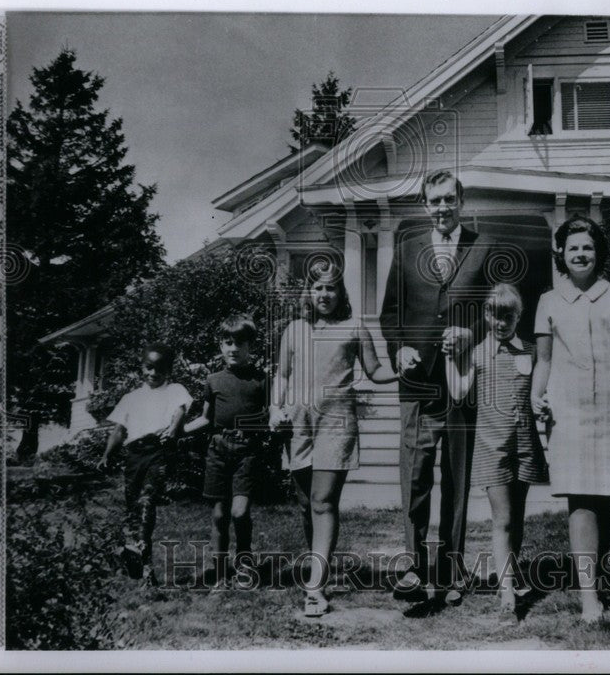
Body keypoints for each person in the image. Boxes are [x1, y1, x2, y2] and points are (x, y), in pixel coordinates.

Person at [379, 169, 498, 608]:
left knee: (456, 478)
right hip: (417, 384)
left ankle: (451, 570)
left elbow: (502, 311)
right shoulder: (408, 248)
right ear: (424, 205)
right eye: (435, 201)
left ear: (461, 200)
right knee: (415, 476)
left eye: (450, 199)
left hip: (462, 382)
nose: (443, 208)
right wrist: (398, 348)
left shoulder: (483, 248)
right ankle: (413, 566)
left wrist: (473, 336)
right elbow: (389, 313)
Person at [530, 215, 610, 623]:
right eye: (573, 248)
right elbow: (543, 359)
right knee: (581, 499)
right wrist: (536, 395)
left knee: (606, 497)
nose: (580, 254)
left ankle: (597, 579)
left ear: (598, 254)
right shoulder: (549, 301)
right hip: (570, 408)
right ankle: (588, 596)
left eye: (588, 247)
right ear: (561, 255)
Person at [271, 256, 397, 617]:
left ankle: (315, 588)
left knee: (323, 501)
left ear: (341, 292)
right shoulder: (293, 329)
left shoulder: (355, 326)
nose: (324, 293)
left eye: (331, 287)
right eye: (317, 287)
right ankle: (319, 570)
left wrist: (403, 371)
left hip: (336, 421)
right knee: (307, 504)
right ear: (308, 292)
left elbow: (374, 371)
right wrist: (273, 408)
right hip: (297, 423)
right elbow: (282, 376)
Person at [446, 283, 548, 623]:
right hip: (492, 446)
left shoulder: (530, 352)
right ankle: (507, 598)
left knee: (516, 518)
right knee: (502, 519)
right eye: (495, 315)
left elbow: (539, 395)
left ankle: (512, 575)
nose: (501, 323)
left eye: (508, 316)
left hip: (524, 445)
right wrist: (451, 358)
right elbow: (459, 392)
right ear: (486, 316)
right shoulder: (476, 353)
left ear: (518, 316)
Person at [183, 316, 268, 589]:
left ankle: (244, 565)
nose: (233, 348)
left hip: (247, 452)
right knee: (220, 514)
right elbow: (206, 418)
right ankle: (220, 574)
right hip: (218, 450)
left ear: (250, 346)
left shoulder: (261, 380)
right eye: (227, 343)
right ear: (221, 346)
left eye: (239, 343)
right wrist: (179, 430)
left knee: (240, 512)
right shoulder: (213, 380)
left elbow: (269, 417)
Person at [98, 343, 191, 586]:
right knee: (132, 509)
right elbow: (119, 430)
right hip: (133, 455)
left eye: (159, 369)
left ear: (168, 370)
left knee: (147, 501)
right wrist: (106, 455)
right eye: (149, 368)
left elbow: (180, 412)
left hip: (157, 452)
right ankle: (143, 566)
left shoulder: (174, 390)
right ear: (142, 367)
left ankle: (139, 549)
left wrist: (172, 430)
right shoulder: (131, 398)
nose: (153, 373)